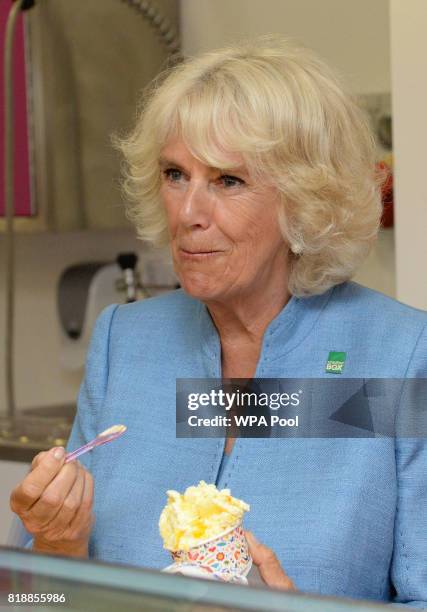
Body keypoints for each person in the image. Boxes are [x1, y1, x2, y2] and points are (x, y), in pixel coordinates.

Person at [10, 35, 427, 606]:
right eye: (175, 174)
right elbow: (31, 603)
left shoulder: (399, 358)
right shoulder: (125, 344)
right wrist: (59, 547)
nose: (187, 213)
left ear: (306, 199)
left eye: (228, 181)